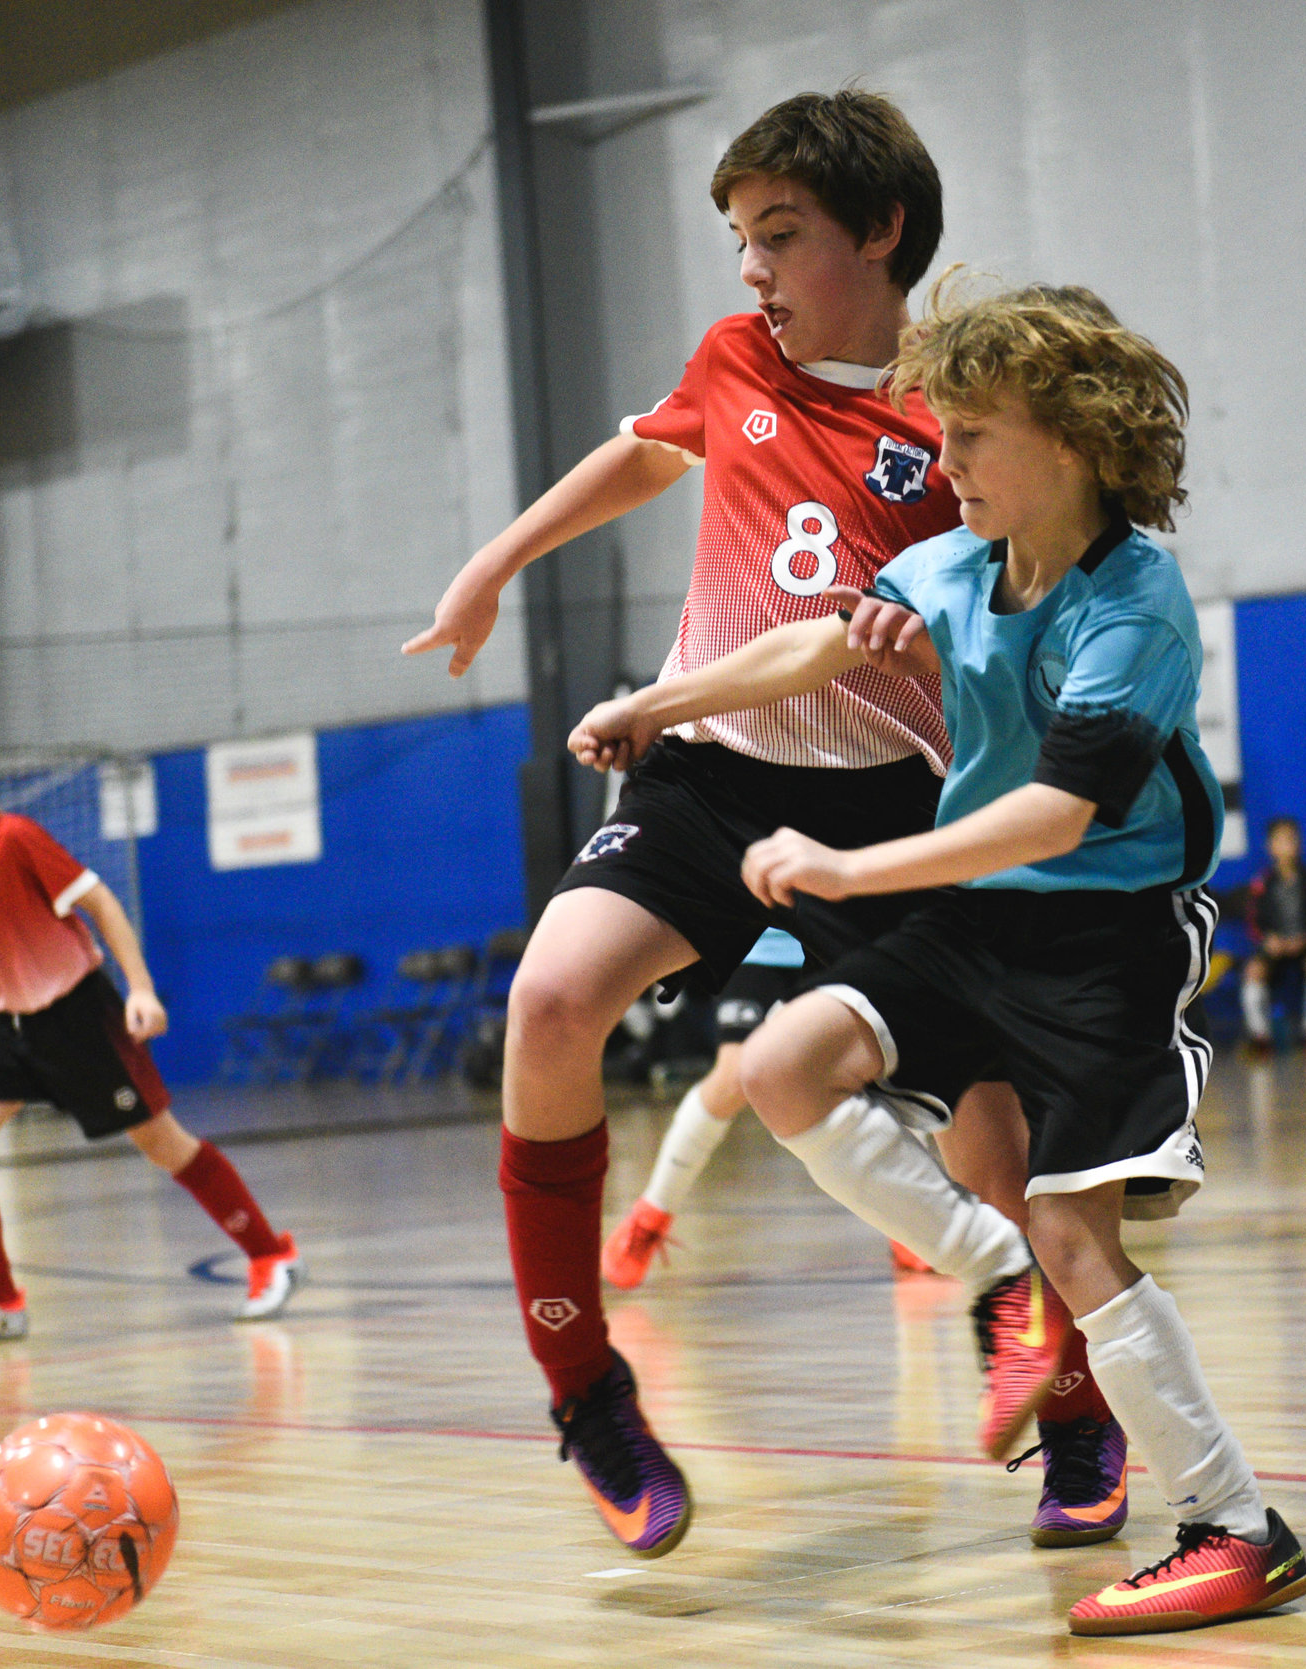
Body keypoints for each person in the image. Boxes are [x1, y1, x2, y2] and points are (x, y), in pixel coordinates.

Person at [400, 90, 1115, 1559]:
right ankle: (586, 1390)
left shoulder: (965, 422)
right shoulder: (734, 360)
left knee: (996, 1137)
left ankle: (1075, 1412)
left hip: (899, 799)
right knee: (550, 997)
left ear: (882, 231)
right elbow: (651, 456)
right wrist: (495, 562)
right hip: (713, 770)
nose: (752, 273)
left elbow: (1002, 627)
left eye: (779, 236)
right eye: (740, 238)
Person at [572, 280, 1306, 1636]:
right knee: (786, 1067)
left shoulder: (1131, 601)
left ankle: (1236, 1527)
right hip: (982, 918)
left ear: (1073, 445)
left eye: (972, 437)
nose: (941, 460)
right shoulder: (952, 567)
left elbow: (1058, 815)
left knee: (1082, 1234)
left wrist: (850, 870)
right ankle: (998, 1273)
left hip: (1103, 937)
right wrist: (651, 703)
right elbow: (813, 642)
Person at [0, 714, 304, 1346]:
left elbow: (100, 904)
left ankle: (271, 1255)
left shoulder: (13, 838)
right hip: (8, 1026)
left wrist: (142, 989)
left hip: (78, 1016)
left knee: (164, 1145)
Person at [601, 925, 934, 1286]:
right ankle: (651, 1215)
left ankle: (909, 1222)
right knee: (734, 1075)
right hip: (762, 946)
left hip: (840, 934)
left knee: (891, 1063)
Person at [1239, 815, 1306, 1056]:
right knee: (1253, 971)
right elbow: (1253, 921)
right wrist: (1268, 940)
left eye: (1291, 839)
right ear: (1270, 846)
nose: (1287, 845)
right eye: (1280, 840)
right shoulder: (1261, 883)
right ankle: (1260, 1037)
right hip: (1274, 947)